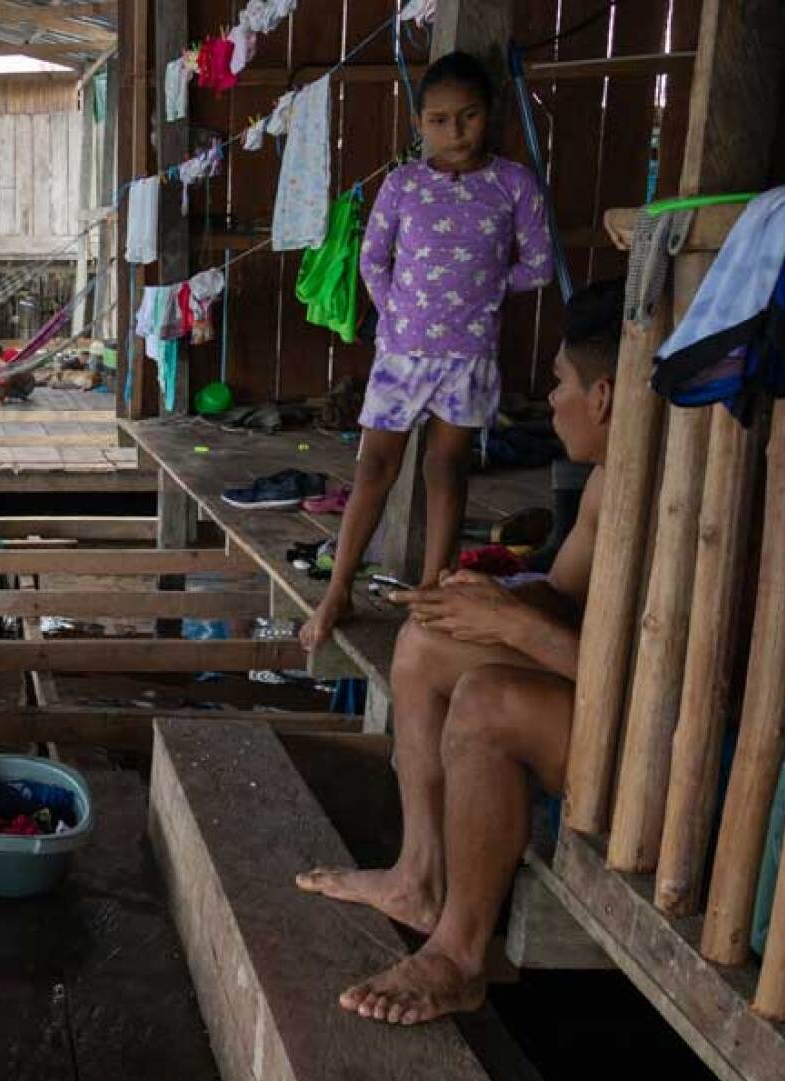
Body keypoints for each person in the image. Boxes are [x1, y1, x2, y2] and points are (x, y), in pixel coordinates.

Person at [294, 277, 623, 1025]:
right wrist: (478, 605)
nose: (552, 398)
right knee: (426, 642)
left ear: (602, 397)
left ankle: (460, 955)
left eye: (560, 383)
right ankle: (419, 875)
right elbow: (563, 595)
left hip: (668, 753)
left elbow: (668, 692)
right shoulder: (609, 479)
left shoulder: (679, 500)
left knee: (487, 702)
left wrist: (516, 629)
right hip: (598, 689)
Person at [300, 51, 553, 653]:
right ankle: (337, 589)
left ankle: (433, 592)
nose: (454, 132)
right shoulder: (403, 183)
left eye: (467, 117)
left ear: (487, 115)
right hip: (402, 353)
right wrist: (399, 314)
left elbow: (538, 266)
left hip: (469, 354)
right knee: (373, 468)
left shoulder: (513, 183)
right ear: (419, 124)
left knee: (447, 468)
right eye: (438, 120)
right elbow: (371, 260)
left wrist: (486, 295)